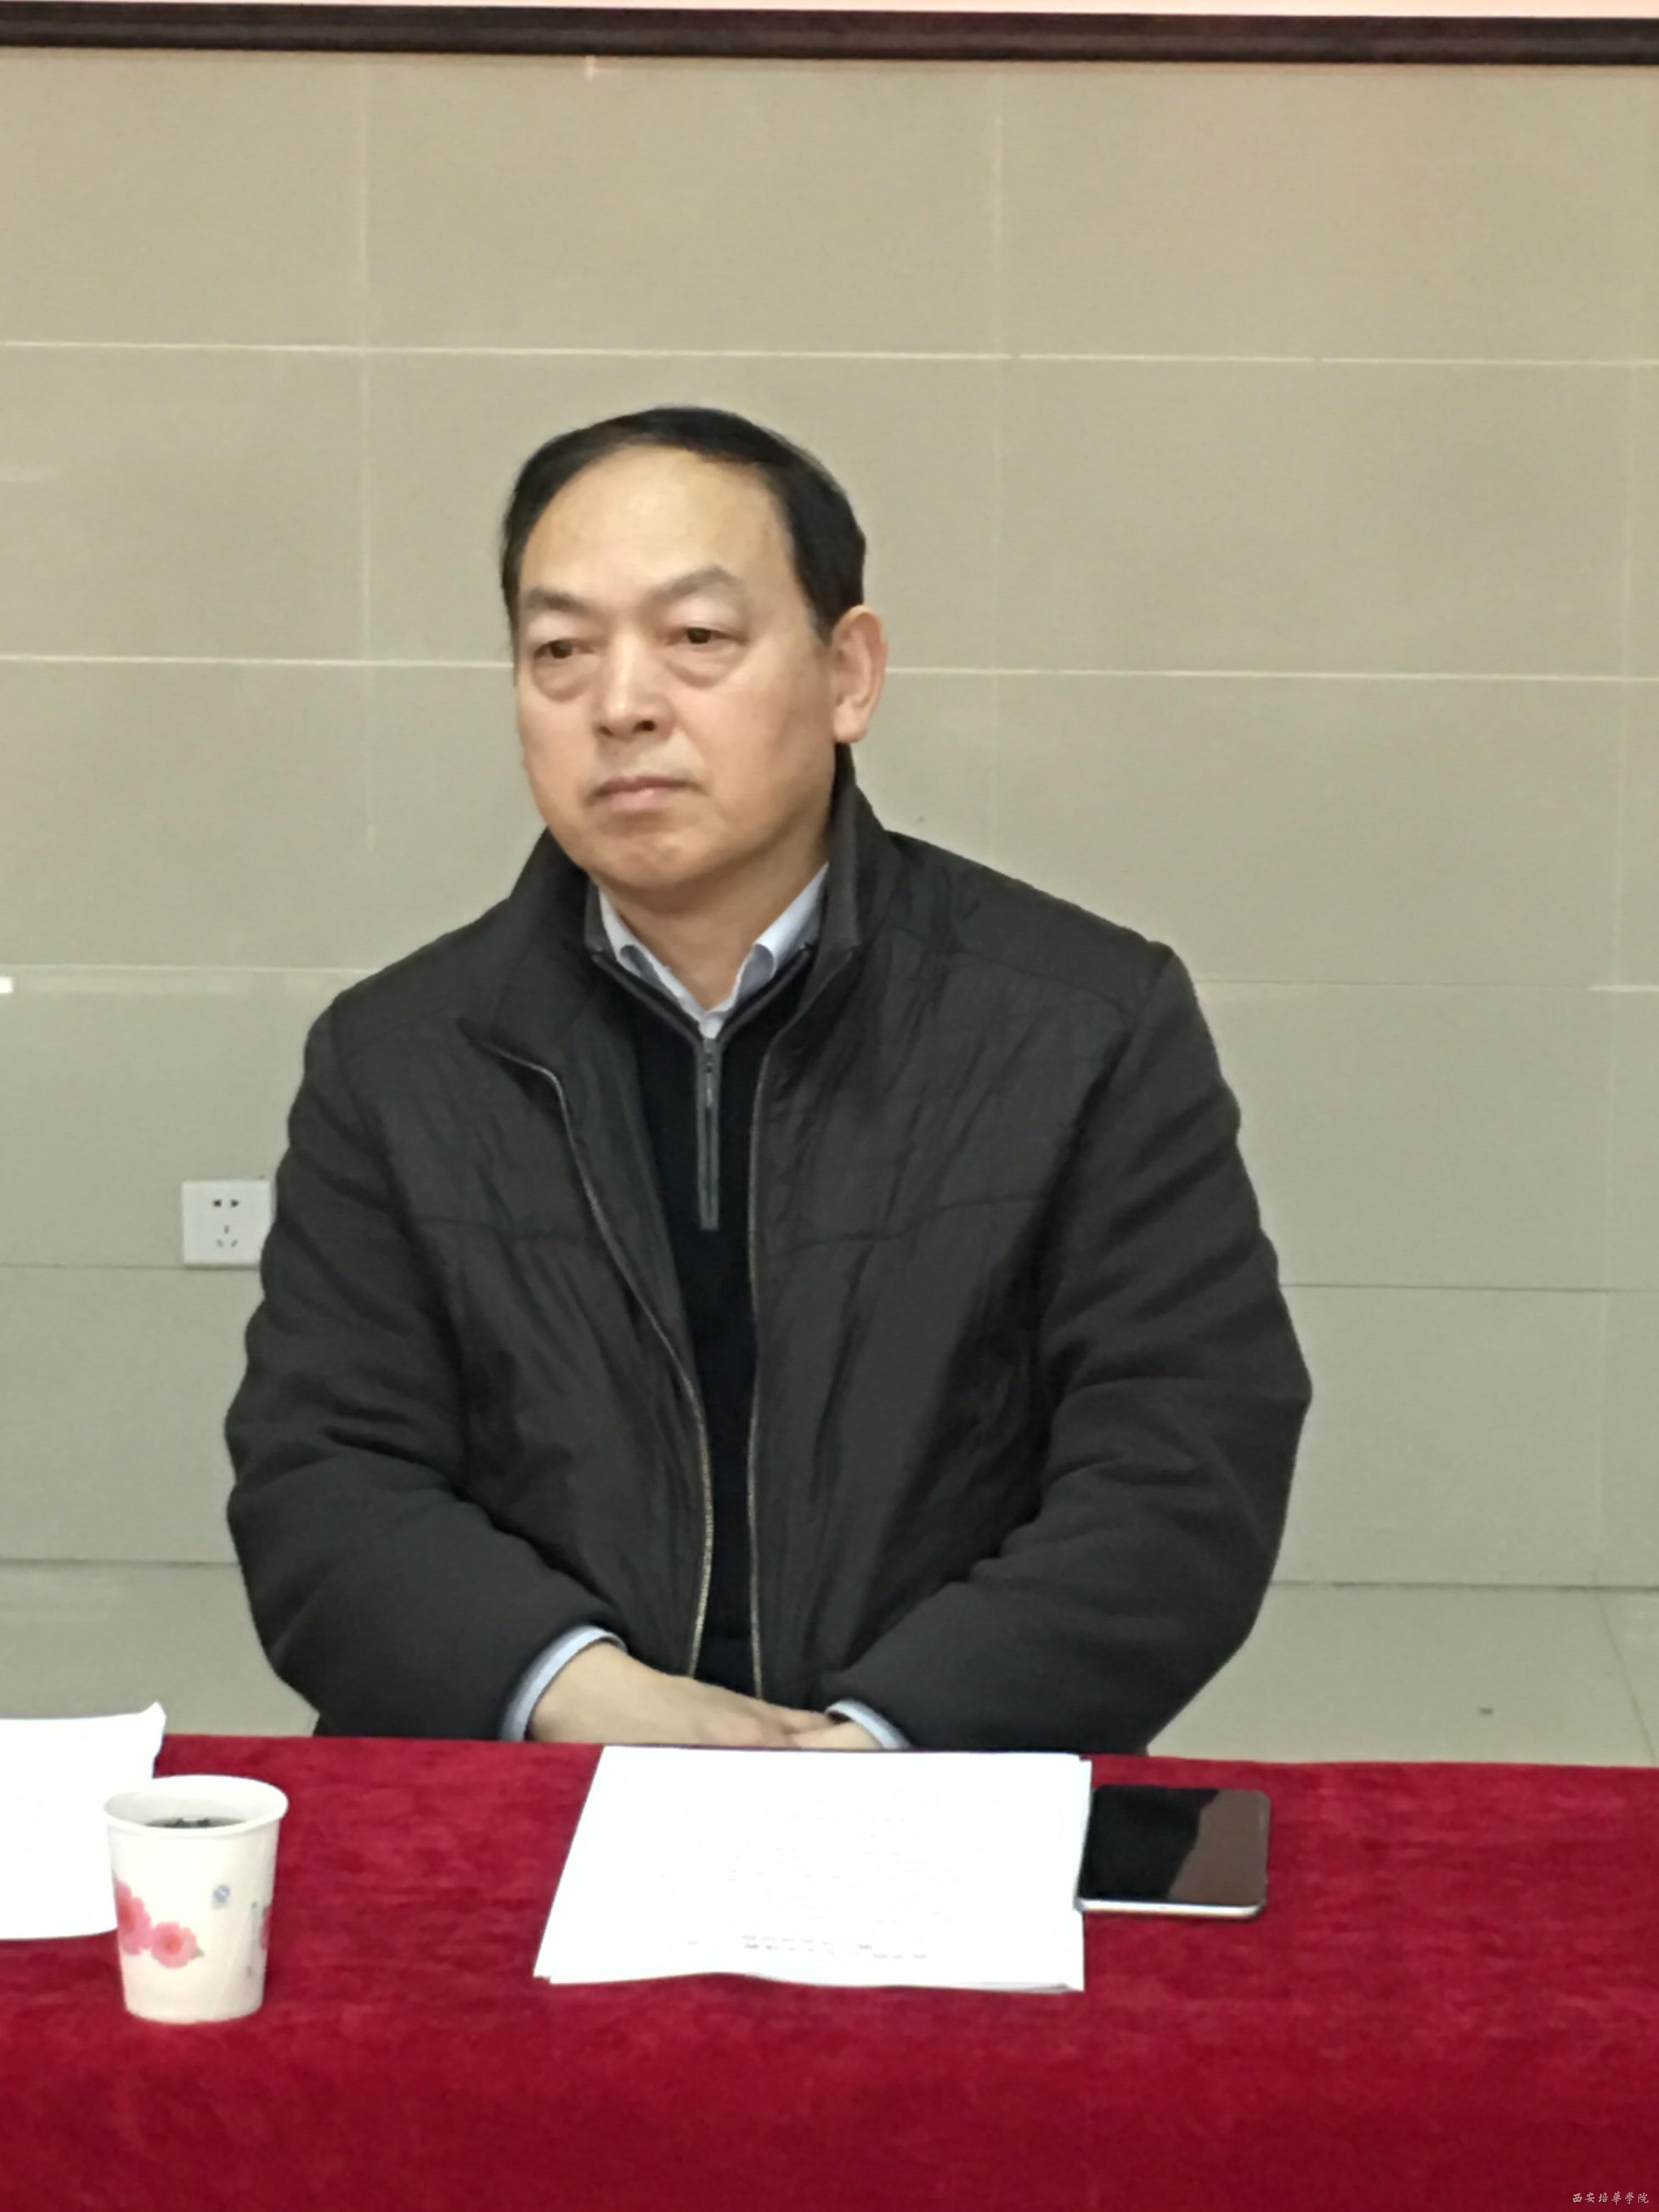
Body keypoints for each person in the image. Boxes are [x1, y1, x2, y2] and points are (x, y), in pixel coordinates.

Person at [224, 404, 1312, 1755]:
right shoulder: (398, 1055)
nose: (622, 704)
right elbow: (324, 1480)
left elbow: (1180, 1464)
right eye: (560, 650)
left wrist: (876, 1746)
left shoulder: (1085, 1021)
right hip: (527, 1784)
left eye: (697, 638)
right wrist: (592, 1702)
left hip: (948, 1784)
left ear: (849, 674)